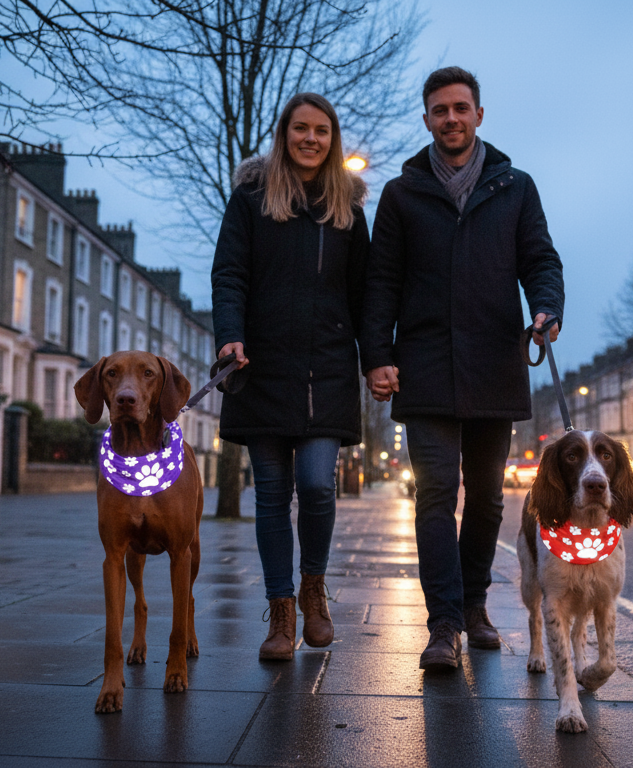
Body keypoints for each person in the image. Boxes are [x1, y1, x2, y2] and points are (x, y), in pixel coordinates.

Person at [360, 67, 564, 671]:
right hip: (423, 368)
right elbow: (380, 283)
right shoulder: (401, 194)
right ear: (426, 119)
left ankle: (475, 606)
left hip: (494, 364)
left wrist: (546, 307)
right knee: (434, 495)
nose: (450, 118)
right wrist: (378, 356)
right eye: (439, 110)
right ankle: (444, 623)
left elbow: (540, 259)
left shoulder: (515, 187)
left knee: (487, 501)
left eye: (460, 107)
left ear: (478, 114)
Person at [212, 92, 369, 662]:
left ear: (333, 139)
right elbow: (229, 273)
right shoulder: (251, 199)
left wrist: (377, 358)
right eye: (301, 128)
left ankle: (313, 588)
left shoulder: (347, 208)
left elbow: (366, 294)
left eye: (321, 130)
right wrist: (230, 333)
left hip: (328, 369)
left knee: (319, 484)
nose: (311, 138)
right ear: (284, 134)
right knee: (273, 494)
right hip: (262, 368)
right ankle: (281, 612)